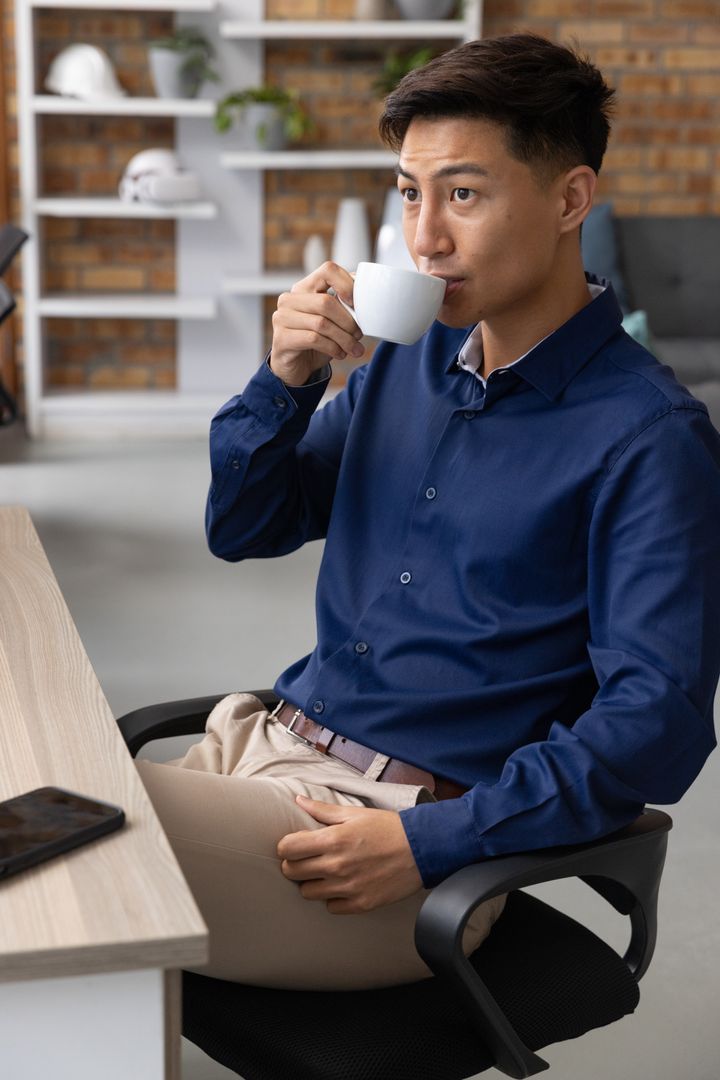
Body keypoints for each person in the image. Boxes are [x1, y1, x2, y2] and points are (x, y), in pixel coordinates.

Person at [135, 33, 720, 991]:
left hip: (385, 844)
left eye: (463, 194)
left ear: (570, 199)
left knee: (56, 830)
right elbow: (246, 526)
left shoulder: (651, 439)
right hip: (260, 749)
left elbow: (653, 724)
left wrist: (431, 841)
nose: (424, 239)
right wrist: (285, 379)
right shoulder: (404, 364)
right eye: (410, 194)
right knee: (54, 833)